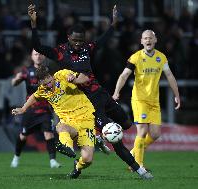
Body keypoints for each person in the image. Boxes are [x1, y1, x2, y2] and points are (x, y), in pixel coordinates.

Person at [28, 3, 153, 179]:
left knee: (126, 124)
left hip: (101, 94)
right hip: (90, 103)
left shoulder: (87, 48)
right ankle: (140, 171)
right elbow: (38, 47)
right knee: (115, 137)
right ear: (68, 37)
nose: (78, 44)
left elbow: (104, 39)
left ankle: (97, 137)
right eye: (75, 40)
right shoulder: (60, 53)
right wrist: (33, 24)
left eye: (81, 40)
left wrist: (113, 23)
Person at [112, 30, 181, 167]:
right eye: (145, 38)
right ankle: (138, 165)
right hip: (139, 99)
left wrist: (177, 95)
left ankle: (133, 152)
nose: (148, 40)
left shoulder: (161, 58)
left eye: (150, 38)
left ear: (155, 40)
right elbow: (124, 75)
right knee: (142, 131)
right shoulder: (136, 57)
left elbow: (170, 76)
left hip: (154, 101)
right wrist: (116, 92)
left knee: (155, 134)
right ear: (141, 41)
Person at [12, 66, 95, 179]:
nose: (49, 86)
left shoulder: (62, 74)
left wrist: (75, 79)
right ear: (40, 83)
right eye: (45, 84)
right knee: (60, 127)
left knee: (88, 159)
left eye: (50, 82)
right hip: (68, 121)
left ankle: (78, 166)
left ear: (51, 76)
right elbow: (34, 97)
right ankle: (67, 147)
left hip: (86, 119)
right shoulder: (43, 89)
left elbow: (84, 78)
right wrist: (23, 109)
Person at [10, 49, 60, 168]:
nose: (38, 56)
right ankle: (16, 157)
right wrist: (16, 79)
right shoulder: (26, 71)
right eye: (35, 54)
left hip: (45, 109)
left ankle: (53, 161)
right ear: (31, 57)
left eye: (40, 54)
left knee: (49, 134)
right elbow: (14, 83)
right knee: (23, 135)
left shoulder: (49, 70)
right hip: (30, 109)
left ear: (43, 56)